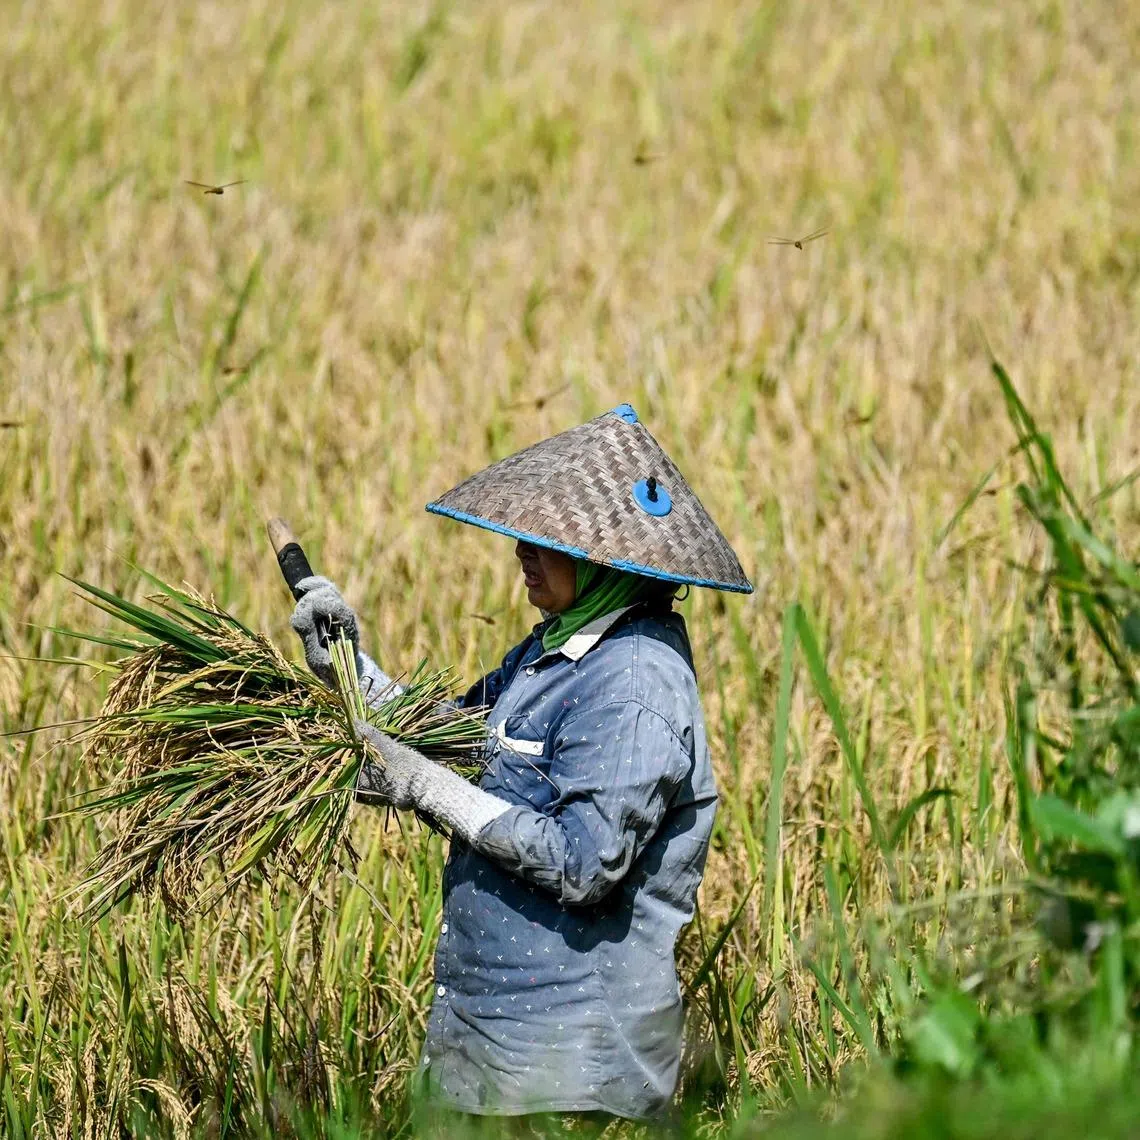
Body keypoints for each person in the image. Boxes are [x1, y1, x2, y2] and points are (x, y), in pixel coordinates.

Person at [290, 403, 751, 1122]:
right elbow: (445, 740)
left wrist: (427, 790)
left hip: (572, 1075)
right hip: (488, 1057)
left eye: (547, 542)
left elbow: (583, 862)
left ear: (605, 562)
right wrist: (347, 666)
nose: (522, 554)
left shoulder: (632, 684)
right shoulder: (550, 654)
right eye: (525, 538)